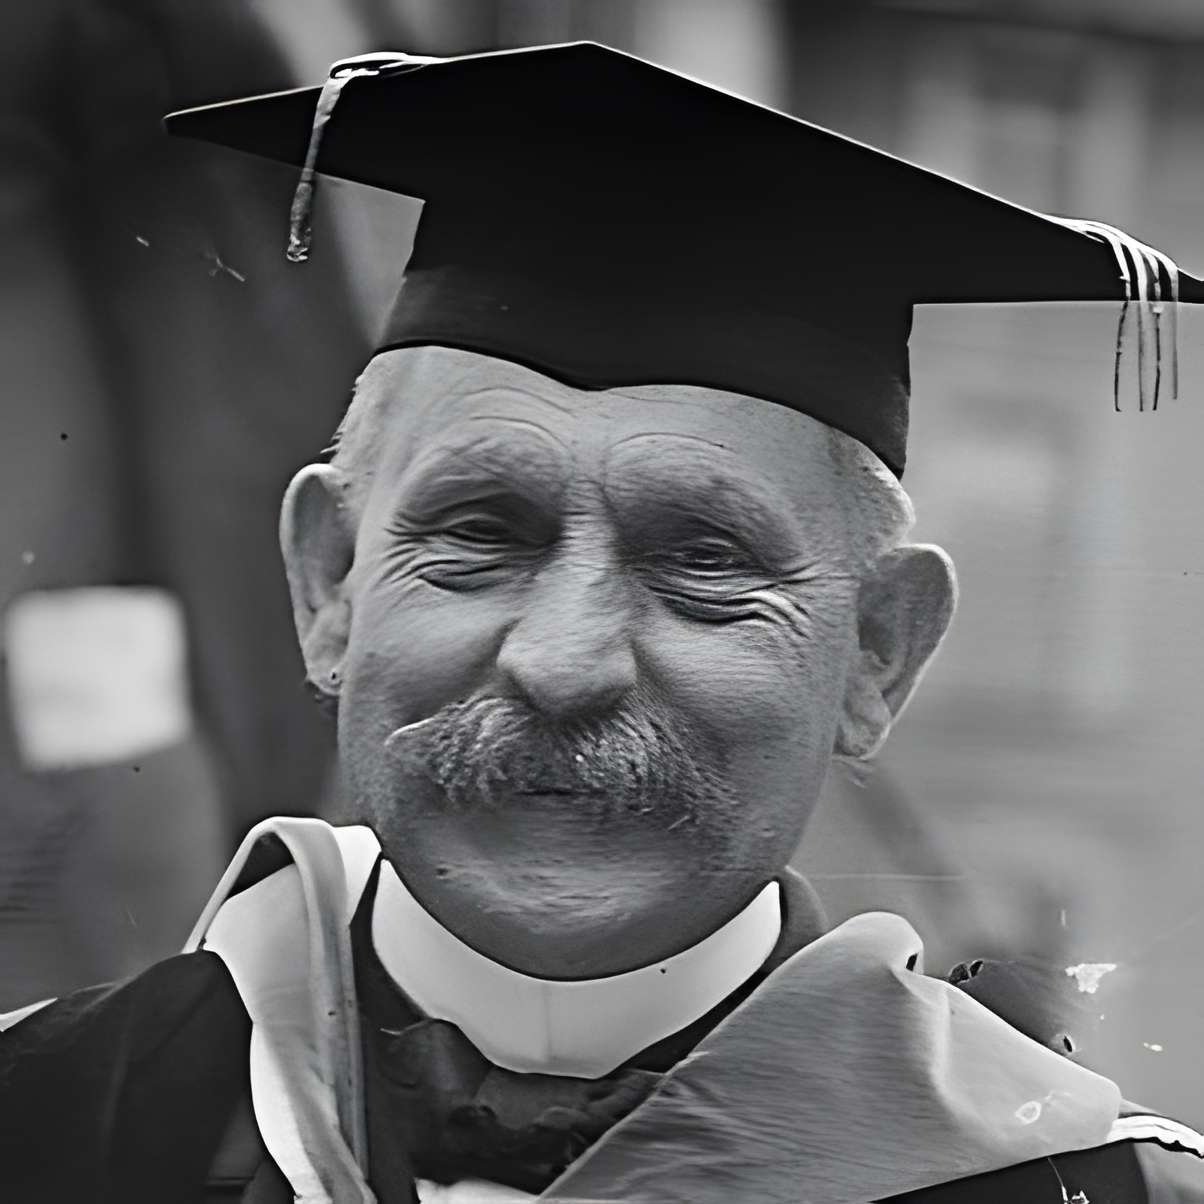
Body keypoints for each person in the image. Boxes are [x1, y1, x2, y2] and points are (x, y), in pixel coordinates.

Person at [2, 41, 1203, 1204]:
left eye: (703, 557)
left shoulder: (1095, 1194)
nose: (563, 662)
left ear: (877, 650)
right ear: (328, 582)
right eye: (482, 531)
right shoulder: (39, 1121)